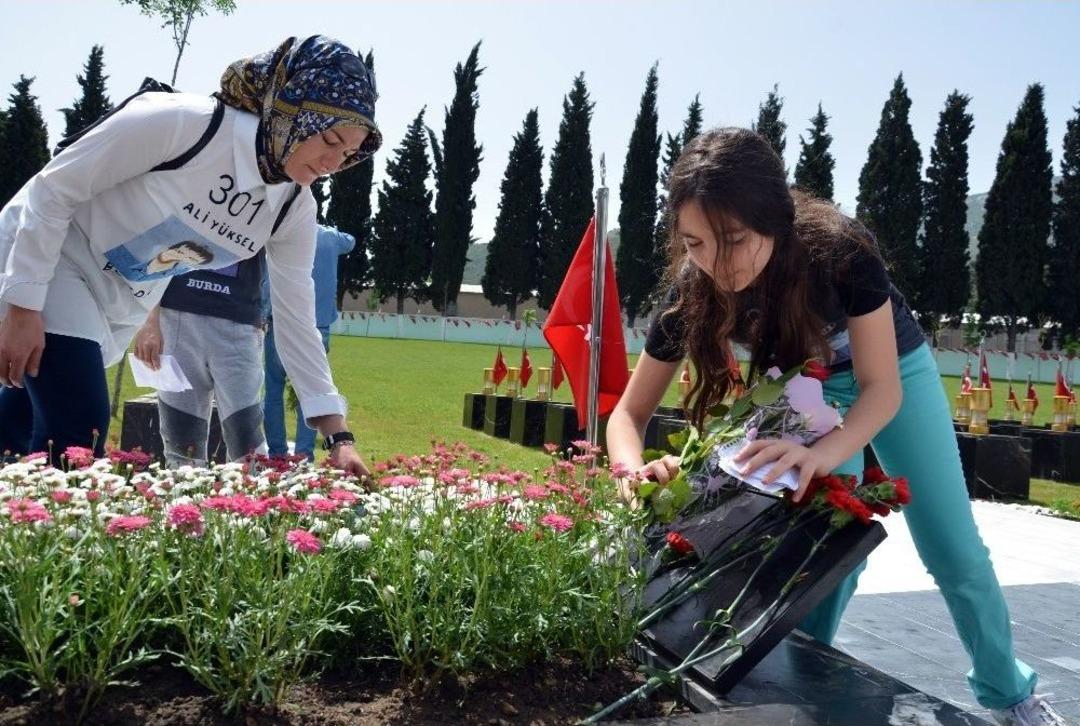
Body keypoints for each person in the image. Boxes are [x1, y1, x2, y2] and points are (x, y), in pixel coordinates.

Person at [606, 128, 1065, 726]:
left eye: (734, 239)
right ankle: (802, 669)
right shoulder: (694, 289)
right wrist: (631, 472)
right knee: (822, 543)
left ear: (774, 219)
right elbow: (628, 414)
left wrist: (827, 453)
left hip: (891, 373)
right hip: (805, 388)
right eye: (695, 243)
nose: (716, 263)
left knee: (952, 548)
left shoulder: (842, 252)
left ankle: (1012, 696)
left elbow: (881, 389)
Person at [0, 35, 380, 477]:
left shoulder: (293, 207)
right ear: (290, 111)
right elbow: (53, 187)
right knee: (78, 430)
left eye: (348, 154)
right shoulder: (181, 123)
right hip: (50, 259)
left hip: (115, 302)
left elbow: (295, 318)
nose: (333, 162)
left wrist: (338, 436)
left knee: (22, 421)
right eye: (330, 139)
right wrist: (23, 305)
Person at [132, 253, 268, 467]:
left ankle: (255, 489)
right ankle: (184, 489)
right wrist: (149, 321)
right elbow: (157, 247)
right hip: (176, 316)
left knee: (246, 440)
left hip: (239, 320)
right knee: (181, 442)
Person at [263, 223, 354, 461]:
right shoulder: (331, 237)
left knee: (273, 390)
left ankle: (277, 454)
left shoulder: (281, 232)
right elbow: (350, 241)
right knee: (313, 392)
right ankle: (304, 455)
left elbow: (267, 280)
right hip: (319, 325)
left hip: (281, 322)